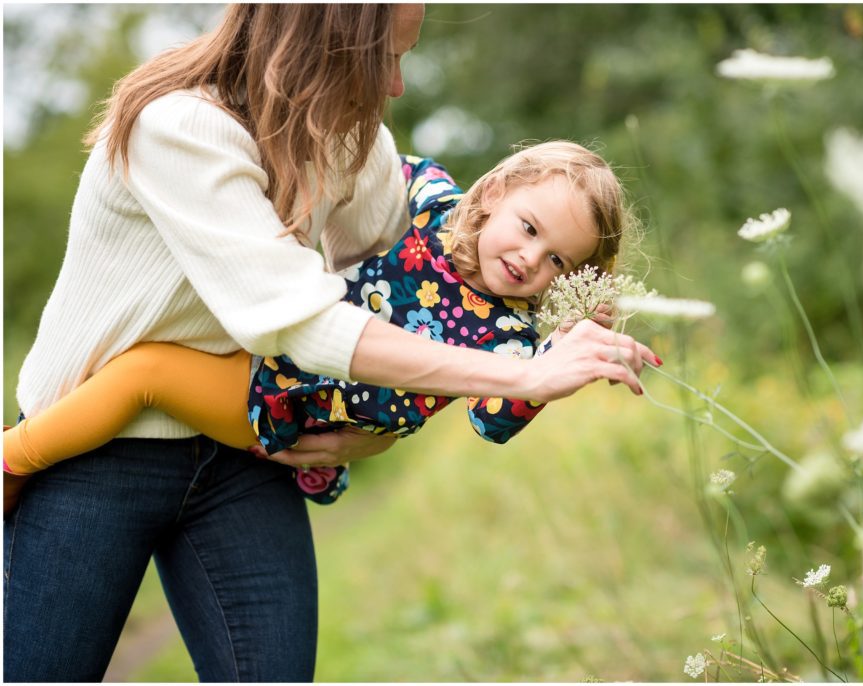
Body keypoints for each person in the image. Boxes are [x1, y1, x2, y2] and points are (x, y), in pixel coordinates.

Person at [3, 4, 656, 682]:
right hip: (98, 447)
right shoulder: (182, 127)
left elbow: (403, 271)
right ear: (328, 40)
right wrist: (521, 376)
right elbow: (300, 322)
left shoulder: (348, 135)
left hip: (255, 455)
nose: (397, 85)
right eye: (390, 57)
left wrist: (382, 426)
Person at [4, 142, 638, 506]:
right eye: (530, 228)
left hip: (289, 411)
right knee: (145, 366)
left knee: (146, 373)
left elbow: (489, 420)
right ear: (495, 192)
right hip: (280, 366)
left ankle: (13, 458)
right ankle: (20, 453)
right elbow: (383, 162)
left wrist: (556, 359)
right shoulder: (438, 210)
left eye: (559, 260)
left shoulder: (515, 336)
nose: (531, 258)